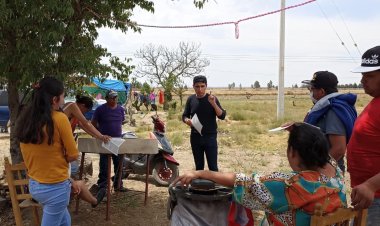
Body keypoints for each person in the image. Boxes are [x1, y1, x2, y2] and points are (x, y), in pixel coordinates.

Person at [173, 122, 347, 226]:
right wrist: (302, 129)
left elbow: (241, 181)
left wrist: (201, 172)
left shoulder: (288, 185)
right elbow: (322, 150)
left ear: (292, 152)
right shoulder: (336, 175)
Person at [15, 77, 87, 225]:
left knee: (64, 221)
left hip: (35, 185)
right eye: (63, 96)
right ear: (54, 99)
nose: (63, 100)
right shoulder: (60, 118)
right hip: (55, 188)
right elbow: (73, 155)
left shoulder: (26, 118)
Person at [347, 45, 380, 225]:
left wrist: (371, 185)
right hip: (367, 197)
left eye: (369, 76)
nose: (362, 81)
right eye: (362, 76)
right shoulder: (376, 102)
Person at [301, 71, 357, 172]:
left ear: (322, 92)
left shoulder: (332, 111)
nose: (310, 92)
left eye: (312, 89)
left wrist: (317, 169)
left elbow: (338, 149)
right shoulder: (324, 107)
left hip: (327, 171)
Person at [182, 75, 226, 171]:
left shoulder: (212, 99)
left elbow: (222, 116)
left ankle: (214, 185)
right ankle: (200, 185)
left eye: (202, 86)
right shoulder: (191, 99)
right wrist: (187, 121)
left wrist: (213, 103)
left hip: (210, 137)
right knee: (199, 166)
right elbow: (184, 115)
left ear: (206, 86)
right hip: (195, 137)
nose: (200, 89)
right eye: (197, 86)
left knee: (213, 167)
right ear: (193, 86)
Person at [91, 90, 126, 203]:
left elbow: (122, 122)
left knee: (119, 164)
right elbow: (93, 123)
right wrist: (99, 134)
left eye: (115, 97)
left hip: (117, 141)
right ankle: (103, 188)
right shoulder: (100, 109)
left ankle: (118, 185)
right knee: (104, 166)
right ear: (107, 99)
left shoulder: (121, 109)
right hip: (105, 141)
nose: (114, 99)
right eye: (112, 97)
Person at [62, 95, 110, 176]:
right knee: (71, 169)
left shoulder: (76, 115)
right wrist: (101, 136)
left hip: (64, 145)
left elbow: (85, 127)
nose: (84, 113)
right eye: (86, 111)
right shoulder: (72, 106)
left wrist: (97, 136)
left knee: (72, 169)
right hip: (58, 144)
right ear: (82, 106)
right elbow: (87, 123)